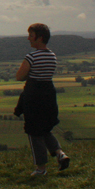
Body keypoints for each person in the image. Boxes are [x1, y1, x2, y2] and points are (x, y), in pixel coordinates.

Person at [14, 23, 69, 175]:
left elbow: (19, 76)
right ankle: (60, 154)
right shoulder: (52, 56)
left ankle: (41, 168)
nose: (28, 39)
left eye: (31, 36)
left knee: (34, 131)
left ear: (40, 38)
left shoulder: (31, 57)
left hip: (34, 96)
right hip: (49, 95)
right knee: (45, 128)